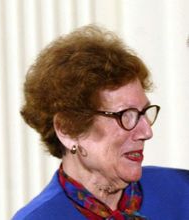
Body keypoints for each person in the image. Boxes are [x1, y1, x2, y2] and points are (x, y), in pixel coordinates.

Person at [12, 25, 189, 220]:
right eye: (125, 115)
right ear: (68, 130)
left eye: (144, 113)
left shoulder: (182, 191)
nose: (146, 132)